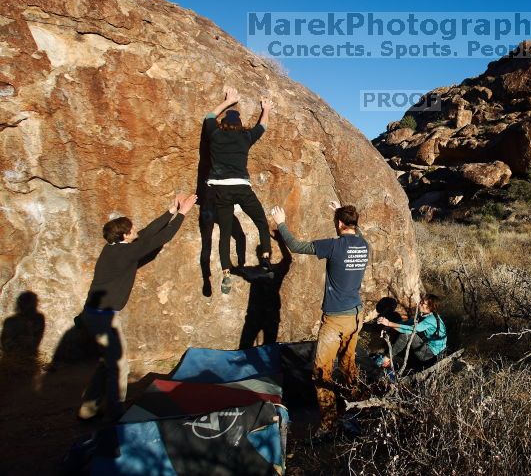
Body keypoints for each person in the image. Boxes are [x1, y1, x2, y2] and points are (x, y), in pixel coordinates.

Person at [79, 193, 196, 421]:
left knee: (107, 363)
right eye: (132, 230)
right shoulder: (125, 253)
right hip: (103, 318)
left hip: (95, 315)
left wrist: (171, 210)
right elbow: (159, 239)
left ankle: (88, 409)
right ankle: (116, 416)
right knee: (120, 366)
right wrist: (183, 214)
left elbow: (147, 234)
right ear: (124, 235)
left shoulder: (115, 248)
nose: (136, 231)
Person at [269, 201, 369, 439]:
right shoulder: (364, 244)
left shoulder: (334, 246)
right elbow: (357, 231)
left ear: (339, 224)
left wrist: (281, 223)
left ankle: (329, 424)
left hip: (335, 320)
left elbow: (296, 246)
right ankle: (353, 414)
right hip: (356, 317)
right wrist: (339, 210)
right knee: (348, 367)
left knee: (321, 372)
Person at [203, 86, 273, 294]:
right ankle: (266, 261)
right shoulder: (245, 137)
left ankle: (225, 273)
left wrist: (229, 100)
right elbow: (262, 127)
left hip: (220, 190)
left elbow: (209, 116)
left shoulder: (215, 133)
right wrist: (266, 108)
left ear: (223, 124)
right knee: (261, 222)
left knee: (225, 232)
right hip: (242, 188)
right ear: (240, 125)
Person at [376, 294, 447, 369]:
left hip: (431, 355)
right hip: (426, 349)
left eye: (423, 303)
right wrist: (389, 327)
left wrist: (389, 323)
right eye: (421, 301)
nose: (420, 303)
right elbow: (407, 323)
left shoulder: (431, 319)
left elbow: (412, 329)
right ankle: (394, 360)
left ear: (430, 307)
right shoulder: (425, 315)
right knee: (401, 329)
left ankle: (387, 358)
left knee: (407, 335)